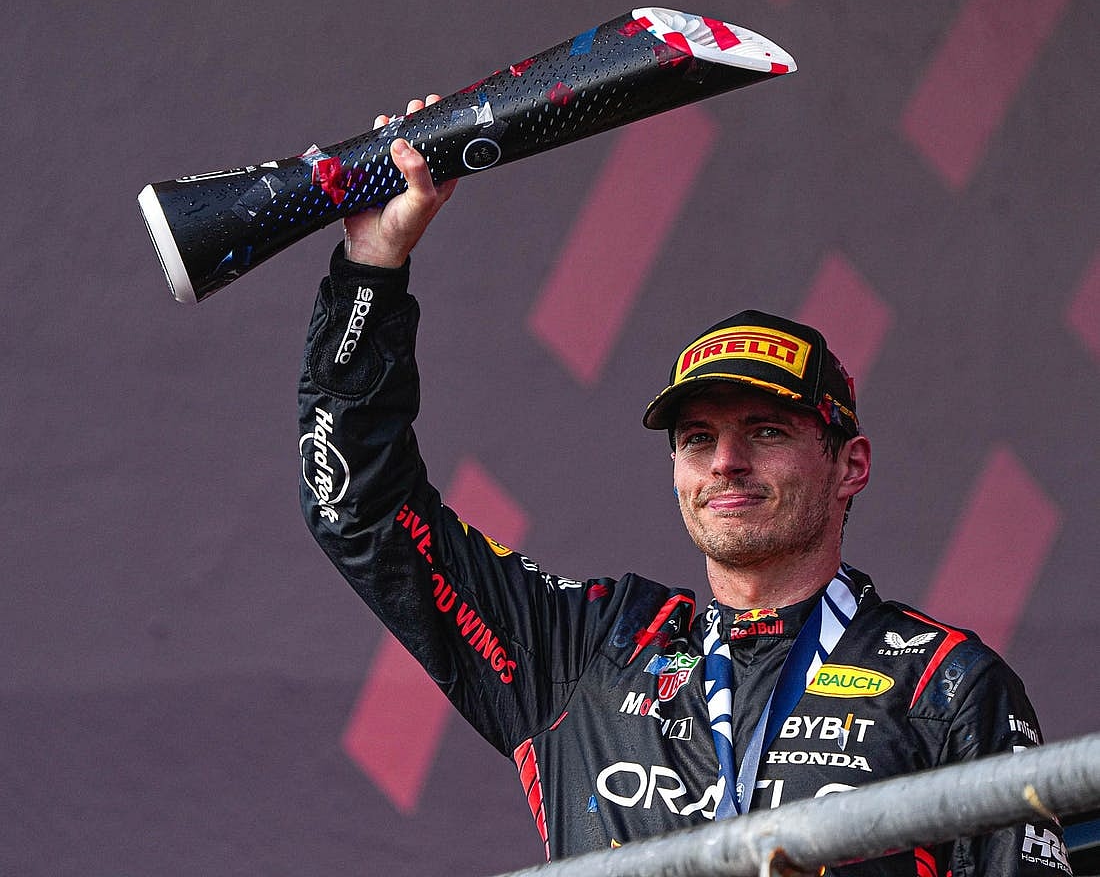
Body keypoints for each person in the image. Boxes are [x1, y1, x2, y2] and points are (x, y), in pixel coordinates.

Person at [297, 96, 1072, 876]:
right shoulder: (589, 658)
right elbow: (359, 509)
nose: (726, 462)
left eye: (766, 431)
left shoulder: (942, 684)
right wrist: (372, 270)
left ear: (850, 465)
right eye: (698, 439)